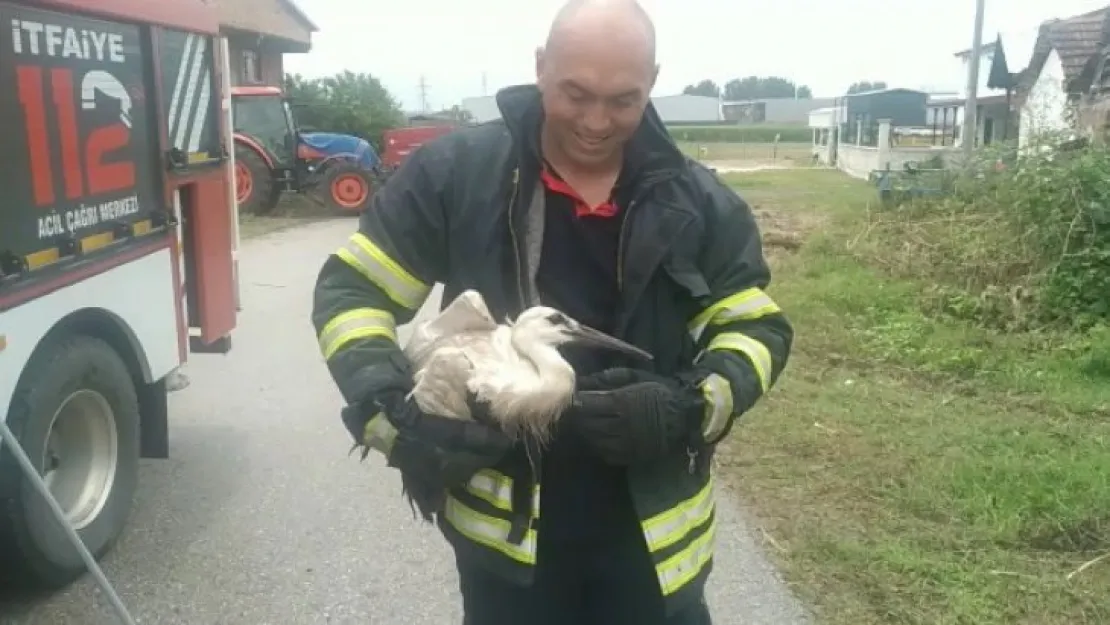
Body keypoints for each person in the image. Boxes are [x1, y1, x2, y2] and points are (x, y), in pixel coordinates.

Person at [310, 1, 794, 623]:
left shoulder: (702, 203)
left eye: (624, 99)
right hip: (508, 544)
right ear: (541, 68)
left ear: (652, 84)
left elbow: (755, 327)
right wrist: (392, 415)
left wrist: (690, 406)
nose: (597, 121)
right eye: (576, 93)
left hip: (651, 537)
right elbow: (353, 292)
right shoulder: (454, 177)